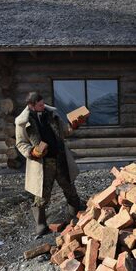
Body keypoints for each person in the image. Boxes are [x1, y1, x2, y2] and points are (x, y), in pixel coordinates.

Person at [15, 91, 86, 235]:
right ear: (31, 105)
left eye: (43, 103)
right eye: (40, 105)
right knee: (42, 195)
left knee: (69, 187)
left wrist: (74, 125)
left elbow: (64, 131)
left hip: (60, 158)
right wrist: (32, 152)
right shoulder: (23, 122)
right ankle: (41, 225)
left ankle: (75, 217)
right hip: (42, 164)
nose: (43, 106)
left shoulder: (51, 114)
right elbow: (21, 143)